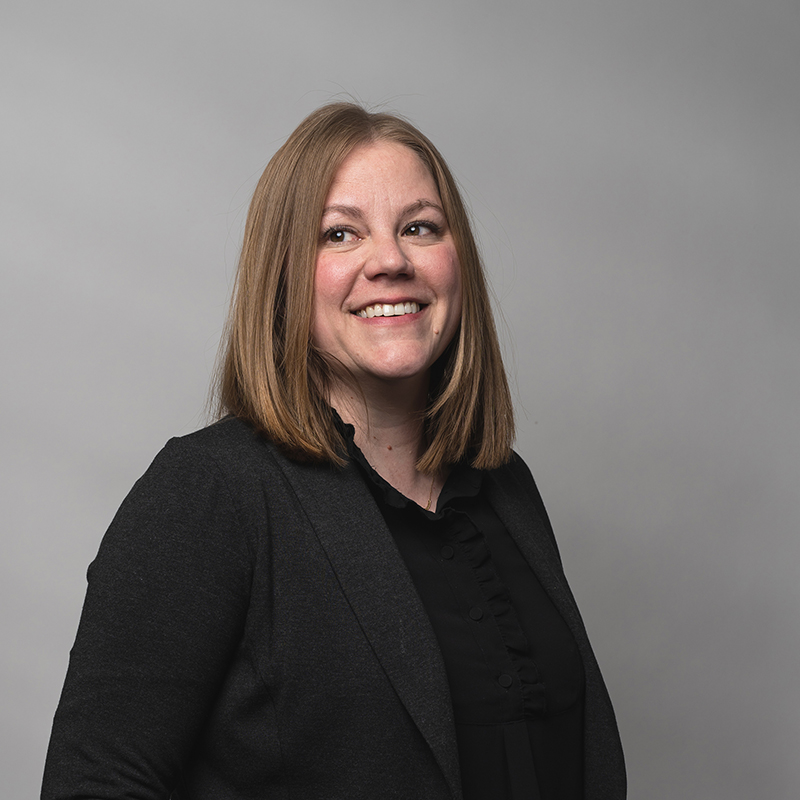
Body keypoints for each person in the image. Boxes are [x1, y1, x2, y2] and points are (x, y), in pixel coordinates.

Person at [41, 103, 626, 800]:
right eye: (340, 233)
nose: (390, 260)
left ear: (456, 259)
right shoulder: (210, 493)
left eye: (419, 227)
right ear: (285, 277)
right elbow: (98, 783)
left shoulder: (505, 490)